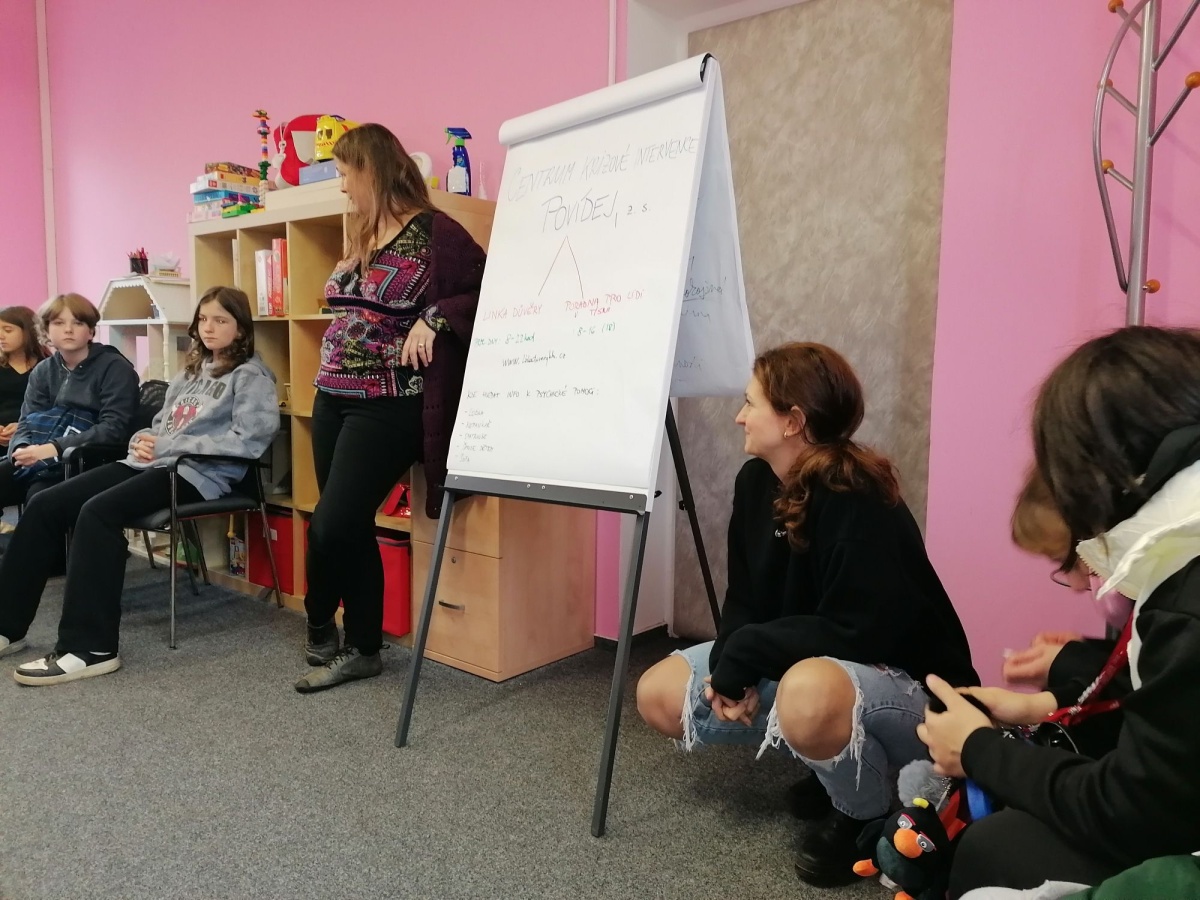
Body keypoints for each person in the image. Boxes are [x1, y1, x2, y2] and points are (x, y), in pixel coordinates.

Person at [635, 342, 978, 886]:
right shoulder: (755, 482)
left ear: (793, 421)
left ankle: (861, 813)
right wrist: (729, 670)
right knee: (658, 694)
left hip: (912, 690)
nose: (739, 416)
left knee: (807, 692)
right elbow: (745, 598)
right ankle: (835, 766)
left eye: (751, 404)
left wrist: (749, 653)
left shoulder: (856, 494)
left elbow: (858, 631)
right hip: (821, 666)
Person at [919, 326, 1200, 897]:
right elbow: (1170, 707)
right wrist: (1046, 702)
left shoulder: (1184, 598)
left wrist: (980, 752)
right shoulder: (1177, 572)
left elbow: (1132, 809)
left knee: (994, 850)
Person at [0, 286, 279, 682]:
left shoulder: (251, 376)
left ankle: (90, 648)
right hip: (149, 462)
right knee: (47, 504)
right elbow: (160, 424)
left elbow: (249, 441)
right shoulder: (190, 370)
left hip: (196, 474)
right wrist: (142, 439)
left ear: (241, 327)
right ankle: (7, 627)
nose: (209, 328)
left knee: (96, 513)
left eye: (221, 320)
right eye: (203, 319)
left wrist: (168, 445)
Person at [294, 123, 485, 693]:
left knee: (331, 525)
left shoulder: (437, 233)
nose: (341, 186)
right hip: (331, 395)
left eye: (345, 174)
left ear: (373, 170)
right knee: (347, 523)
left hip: (388, 402)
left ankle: (320, 619)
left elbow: (487, 289)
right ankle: (363, 648)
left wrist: (435, 317)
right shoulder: (362, 232)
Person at [0, 293, 138, 511]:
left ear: (90, 331)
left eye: (78, 323)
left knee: (39, 497)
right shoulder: (43, 370)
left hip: (89, 459)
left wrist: (52, 448)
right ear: (45, 331)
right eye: (58, 323)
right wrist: (21, 448)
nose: (68, 330)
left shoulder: (115, 368)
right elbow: (26, 420)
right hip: (38, 454)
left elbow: (113, 429)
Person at [0, 306, 49, 447]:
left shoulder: (48, 367)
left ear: (27, 331)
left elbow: (54, 408)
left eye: (8, 330)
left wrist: (24, 427)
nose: (1, 336)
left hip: (37, 437)